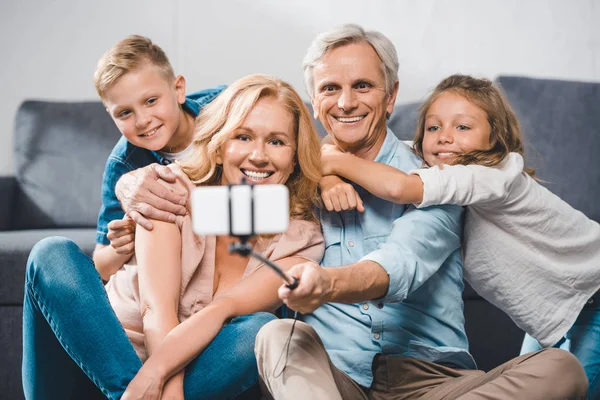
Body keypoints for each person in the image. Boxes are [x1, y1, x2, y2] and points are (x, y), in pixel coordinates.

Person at [253, 24, 588, 400]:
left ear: (391, 95)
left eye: (362, 86)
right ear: (313, 100)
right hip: (334, 378)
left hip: (433, 383)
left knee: (561, 368)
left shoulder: (437, 176)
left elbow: (399, 264)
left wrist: (327, 283)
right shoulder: (291, 172)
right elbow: (230, 120)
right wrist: (174, 178)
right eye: (330, 88)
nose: (345, 102)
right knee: (276, 335)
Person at [22, 74, 324, 400]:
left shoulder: (301, 240)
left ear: (294, 158)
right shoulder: (167, 189)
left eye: (276, 142)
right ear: (220, 146)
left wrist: (160, 380)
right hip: (88, 367)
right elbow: (157, 310)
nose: (259, 155)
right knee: (51, 253)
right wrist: (157, 389)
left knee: (260, 330)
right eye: (243, 137)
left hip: (185, 378)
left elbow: (223, 309)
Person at [320, 73, 600, 398]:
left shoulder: (493, 173)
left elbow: (397, 186)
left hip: (593, 295)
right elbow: (349, 146)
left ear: (494, 138)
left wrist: (334, 162)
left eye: (462, 127)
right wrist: (330, 178)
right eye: (433, 127)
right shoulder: (433, 164)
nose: (444, 138)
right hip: (556, 311)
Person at [91, 34, 225, 281]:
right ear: (111, 115)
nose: (142, 120)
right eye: (124, 113)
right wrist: (122, 246)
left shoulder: (226, 108)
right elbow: (101, 264)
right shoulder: (122, 164)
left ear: (178, 89)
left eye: (151, 101)